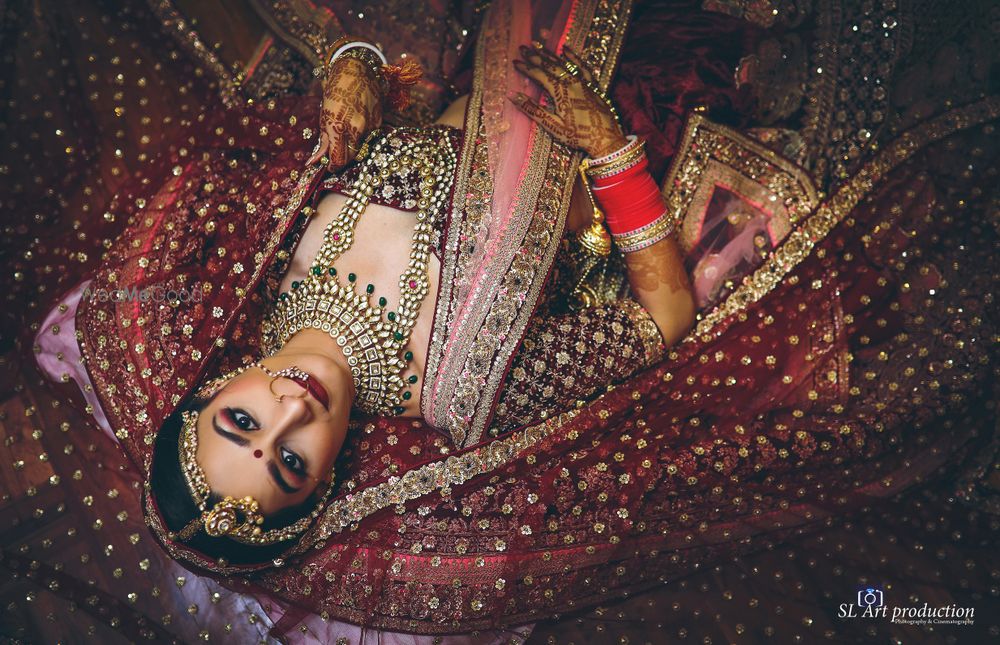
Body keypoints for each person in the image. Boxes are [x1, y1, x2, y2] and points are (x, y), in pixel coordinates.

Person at [8, 0, 998, 640]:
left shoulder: (265, 263)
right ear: (328, 485)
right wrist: (609, 149)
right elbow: (663, 315)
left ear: (215, 387)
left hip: (496, 44)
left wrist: (354, 71)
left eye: (240, 424)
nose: (288, 413)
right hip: (638, 104)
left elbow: (395, 90)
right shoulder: (465, 397)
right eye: (289, 461)